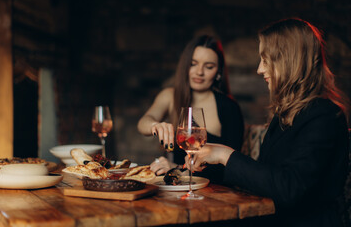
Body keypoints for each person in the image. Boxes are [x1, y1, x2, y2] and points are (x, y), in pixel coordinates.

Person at [189, 18, 349, 227]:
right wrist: (207, 163)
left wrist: (225, 155)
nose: (259, 69)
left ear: (288, 61)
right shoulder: (286, 115)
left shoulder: (325, 116)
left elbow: (289, 188)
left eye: (265, 60)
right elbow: (266, 179)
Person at [137, 35, 244, 184]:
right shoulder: (170, 96)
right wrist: (154, 125)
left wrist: (178, 169)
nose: (199, 72)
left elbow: (232, 166)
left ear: (218, 72)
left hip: (214, 189)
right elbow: (143, 123)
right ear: (185, 66)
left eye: (209, 67)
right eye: (193, 64)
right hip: (179, 187)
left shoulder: (229, 107)